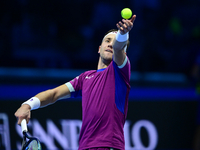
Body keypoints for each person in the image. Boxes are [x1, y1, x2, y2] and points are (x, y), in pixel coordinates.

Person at [15, 14, 136, 150]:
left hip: (109, 146)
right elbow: (54, 94)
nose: (111, 44)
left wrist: (123, 35)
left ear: (124, 54)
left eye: (114, 42)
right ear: (99, 48)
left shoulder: (120, 72)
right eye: (107, 40)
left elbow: (119, 47)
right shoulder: (85, 78)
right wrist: (27, 105)